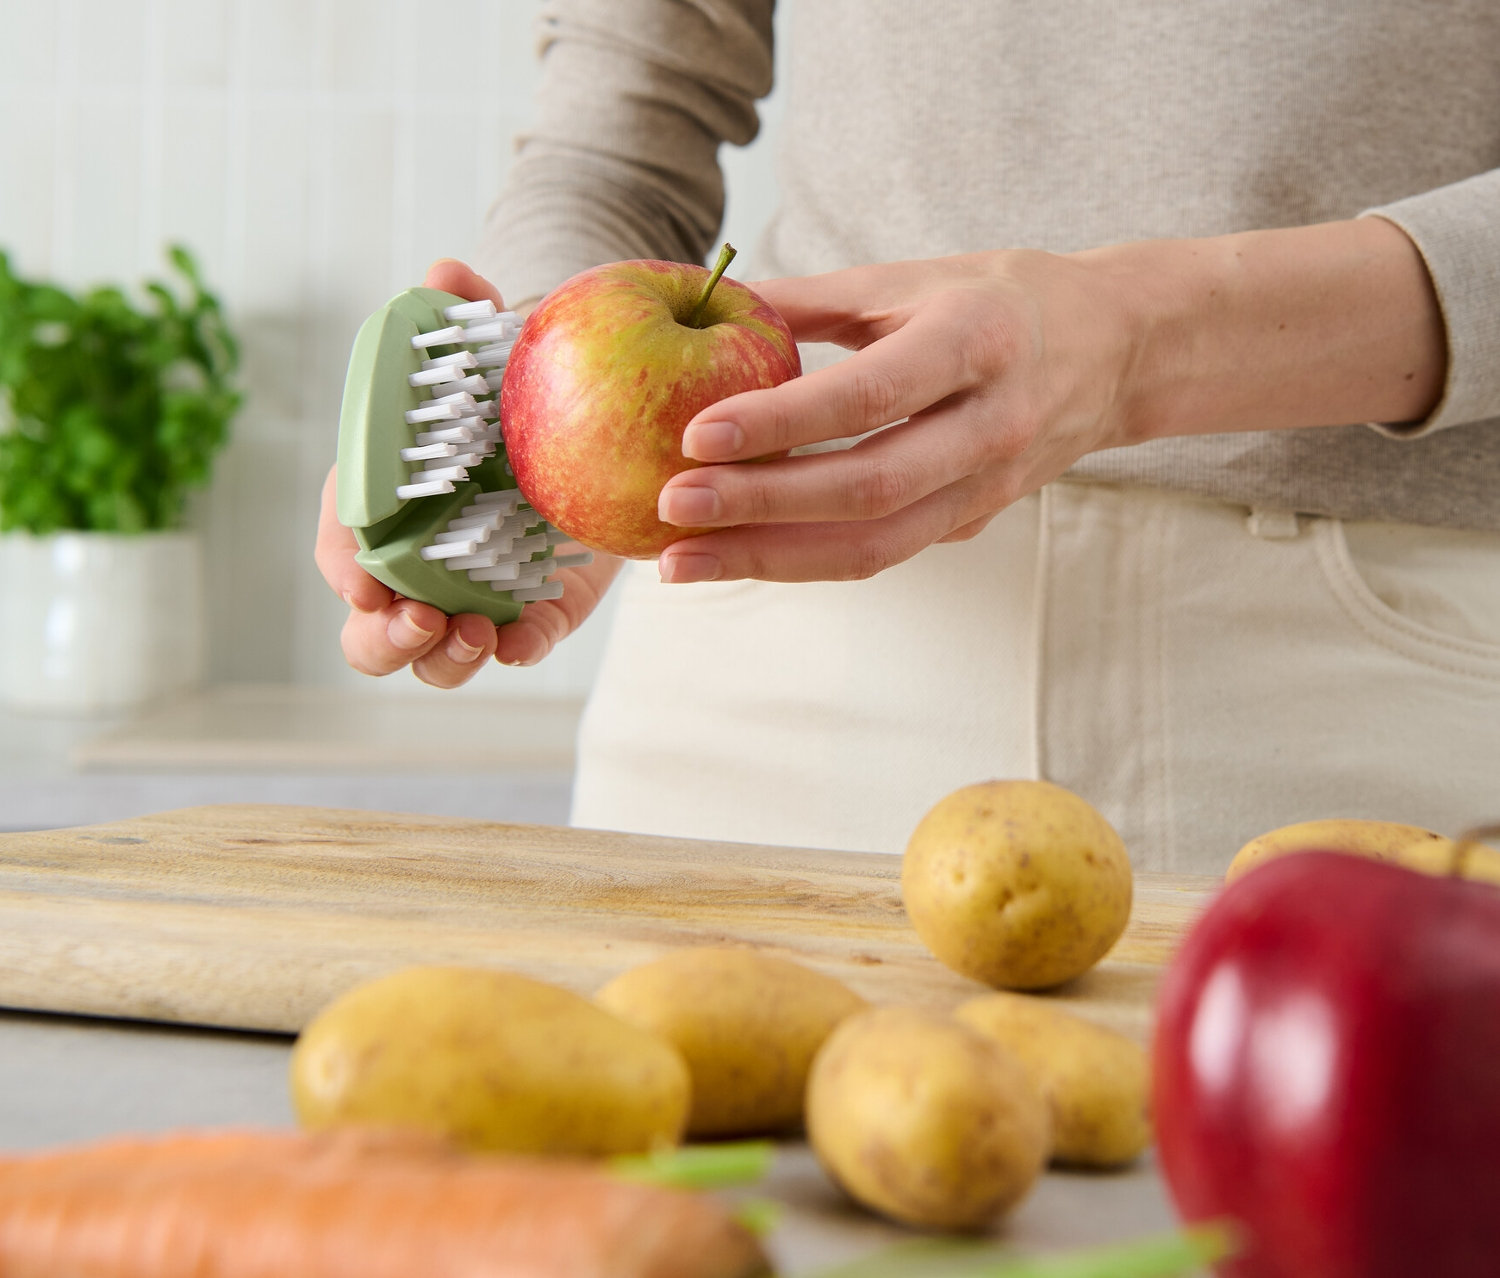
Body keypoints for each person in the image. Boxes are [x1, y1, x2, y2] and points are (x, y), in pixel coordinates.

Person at [315, 0, 1500, 872]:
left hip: (1373, 683)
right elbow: (621, 131)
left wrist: (1141, 343)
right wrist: (519, 418)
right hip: (772, 644)